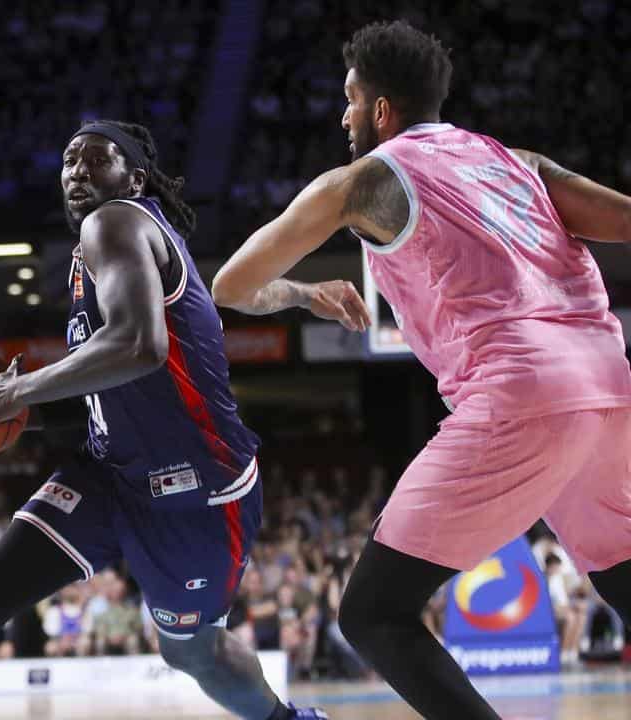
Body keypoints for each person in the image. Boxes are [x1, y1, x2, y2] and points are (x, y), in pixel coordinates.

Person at [211, 20, 631, 719]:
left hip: (519, 393)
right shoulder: (516, 160)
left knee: (374, 613)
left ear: (381, 110)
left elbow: (231, 283)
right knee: (623, 574)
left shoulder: (362, 180)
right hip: (610, 385)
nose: (343, 115)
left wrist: (300, 294)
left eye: (350, 99)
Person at [0, 121, 324, 720]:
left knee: (193, 653)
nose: (76, 170)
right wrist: (11, 414)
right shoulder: (92, 252)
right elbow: (107, 390)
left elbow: (138, 345)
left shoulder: (118, 221)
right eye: (69, 159)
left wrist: (19, 389)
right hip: (111, 473)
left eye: (96, 159)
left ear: (135, 178)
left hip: (197, 486)